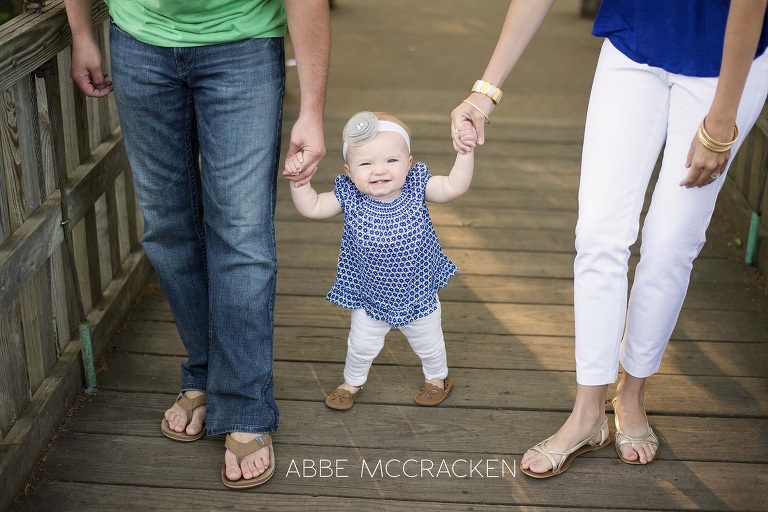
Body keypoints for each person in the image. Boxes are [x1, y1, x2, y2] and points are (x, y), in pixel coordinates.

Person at [451, 0, 768, 478]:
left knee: (669, 243)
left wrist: (723, 116)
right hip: (634, 44)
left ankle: (632, 395)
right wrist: (485, 91)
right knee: (599, 233)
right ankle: (587, 414)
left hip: (723, 66)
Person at [64, 0, 330, 489]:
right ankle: (206, 374)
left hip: (242, 44)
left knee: (242, 234)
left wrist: (312, 110)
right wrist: (81, 32)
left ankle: (246, 402)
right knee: (167, 226)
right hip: (139, 42)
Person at [284, 111, 476, 410]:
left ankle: (437, 378)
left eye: (391, 160)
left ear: (408, 163)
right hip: (369, 294)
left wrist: (464, 154)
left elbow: (453, 187)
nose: (379, 170)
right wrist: (300, 184)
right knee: (360, 346)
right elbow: (314, 207)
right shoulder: (350, 195)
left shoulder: (416, 186)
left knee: (428, 343)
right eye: (366, 163)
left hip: (418, 291)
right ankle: (352, 382)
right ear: (349, 171)